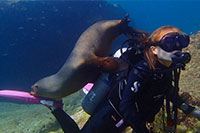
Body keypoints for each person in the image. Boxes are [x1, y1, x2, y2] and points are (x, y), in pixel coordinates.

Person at [47, 25, 200, 133]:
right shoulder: (142, 70)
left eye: (181, 41)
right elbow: (126, 105)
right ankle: (55, 108)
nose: (177, 48)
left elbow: (168, 91)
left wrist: (192, 111)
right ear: (154, 49)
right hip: (112, 114)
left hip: (132, 118)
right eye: (169, 42)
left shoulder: (167, 68)